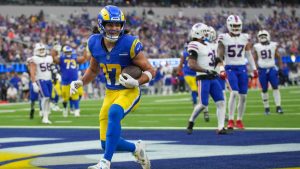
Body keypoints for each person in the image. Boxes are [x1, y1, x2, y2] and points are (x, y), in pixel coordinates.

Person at [70, 5, 155, 169]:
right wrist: (81, 81)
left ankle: (105, 162)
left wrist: (136, 82)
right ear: (102, 24)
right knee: (106, 143)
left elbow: (151, 70)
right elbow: (93, 70)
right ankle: (136, 148)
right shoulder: (94, 42)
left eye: (118, 25)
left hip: (129, 91)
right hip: (110, 92)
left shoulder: (129, 43)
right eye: (110, 24)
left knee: (114, 112)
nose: (115, 28)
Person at [217, 15, 258, 130]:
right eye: (234, 26)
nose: (236, 28)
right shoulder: (223, 38)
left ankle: (239, 119)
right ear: (228, 25)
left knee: (243, 96)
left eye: (238, 26)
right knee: (234, 93)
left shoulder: (245, 37)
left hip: (242, 68)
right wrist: (221, 69)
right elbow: (219, 55)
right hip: (230, 68)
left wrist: (254, 68)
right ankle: (230, 120)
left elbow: (248, 54)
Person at [186, 23, 227, 135]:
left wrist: (222, 70)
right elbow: (191, 64)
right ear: (199, 33)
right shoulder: (193, 45)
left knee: (221, 102)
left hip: (213, 77)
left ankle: (221, 127)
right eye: (205, 31)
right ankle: (191, 121)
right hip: (203, 78)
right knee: (203, 104)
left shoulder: (209, 45)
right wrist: (206, 70)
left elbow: (218, 59)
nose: (207, 33)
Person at [52, 45, 88, 117]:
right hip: (65, 81)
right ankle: (65, 109)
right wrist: (54, 49)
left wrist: (85, 49)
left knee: (75, 96)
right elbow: (54, 58)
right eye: (67, 52)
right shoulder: (61, 58)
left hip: (74, 81)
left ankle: (76, 110)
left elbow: (84, 58)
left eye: (69, 52)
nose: (68, 53)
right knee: (65, 98)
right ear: (64, 52)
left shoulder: (74, 58)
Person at [253, 30, 283, 115]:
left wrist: (280, 68)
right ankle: (266, 108)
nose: (262, 37)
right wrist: (256, 69)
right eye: (261, 35)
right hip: (262, 70)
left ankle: (278, 106)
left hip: (272, 68)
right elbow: (254, 58)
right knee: (264, 89)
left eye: (264, 35)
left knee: (275, 87)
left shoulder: (273, 45)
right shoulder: (257, 46)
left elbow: (278, 56)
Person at [28, 43, 57, 124]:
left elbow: (52, 67)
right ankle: (44, 117)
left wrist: (56, 74)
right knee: (46, 97)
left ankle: (46, 116)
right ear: (36, 51)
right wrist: (34, 83)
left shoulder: (49, 58)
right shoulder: (34, 58)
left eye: (42, 49)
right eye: (40, 50)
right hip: (40, 80)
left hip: (49, 80)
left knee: (48, 98)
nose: (41, 51)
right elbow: (32, 72)